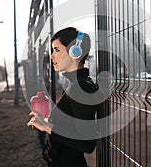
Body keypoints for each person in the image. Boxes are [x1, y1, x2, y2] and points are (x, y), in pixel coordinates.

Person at [27, 27, 100, 167]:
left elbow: (87, 143)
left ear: (75, 52)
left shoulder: (80, 88)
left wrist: (47, 126)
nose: (52, 56)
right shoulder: (78, 85)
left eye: (57, 50)